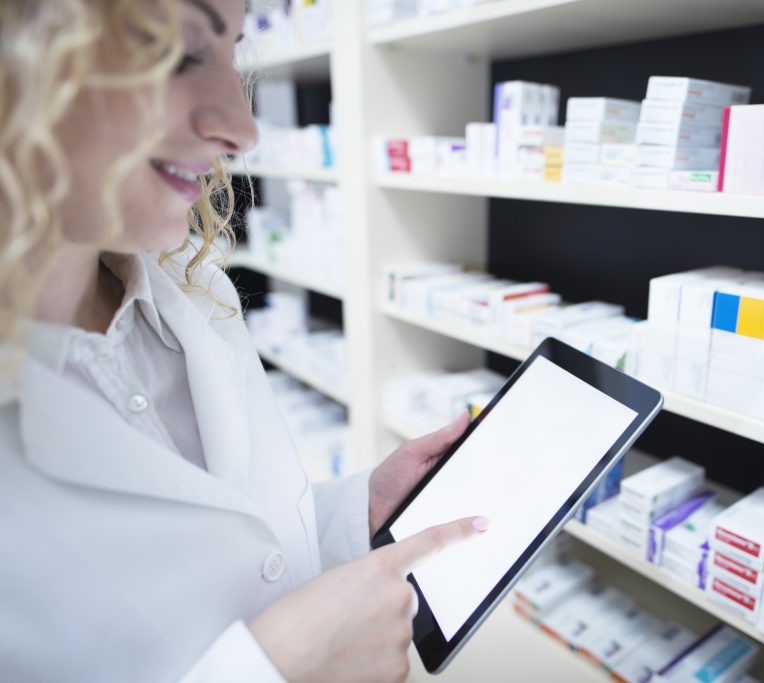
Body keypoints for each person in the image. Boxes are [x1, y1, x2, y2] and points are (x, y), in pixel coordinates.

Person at [0, 1, 487, 681]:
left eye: (233, 52)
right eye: (176, 52)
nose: (243, 129)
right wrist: (274, 669)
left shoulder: (196, 294)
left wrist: (361, 509)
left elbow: (242, 551)